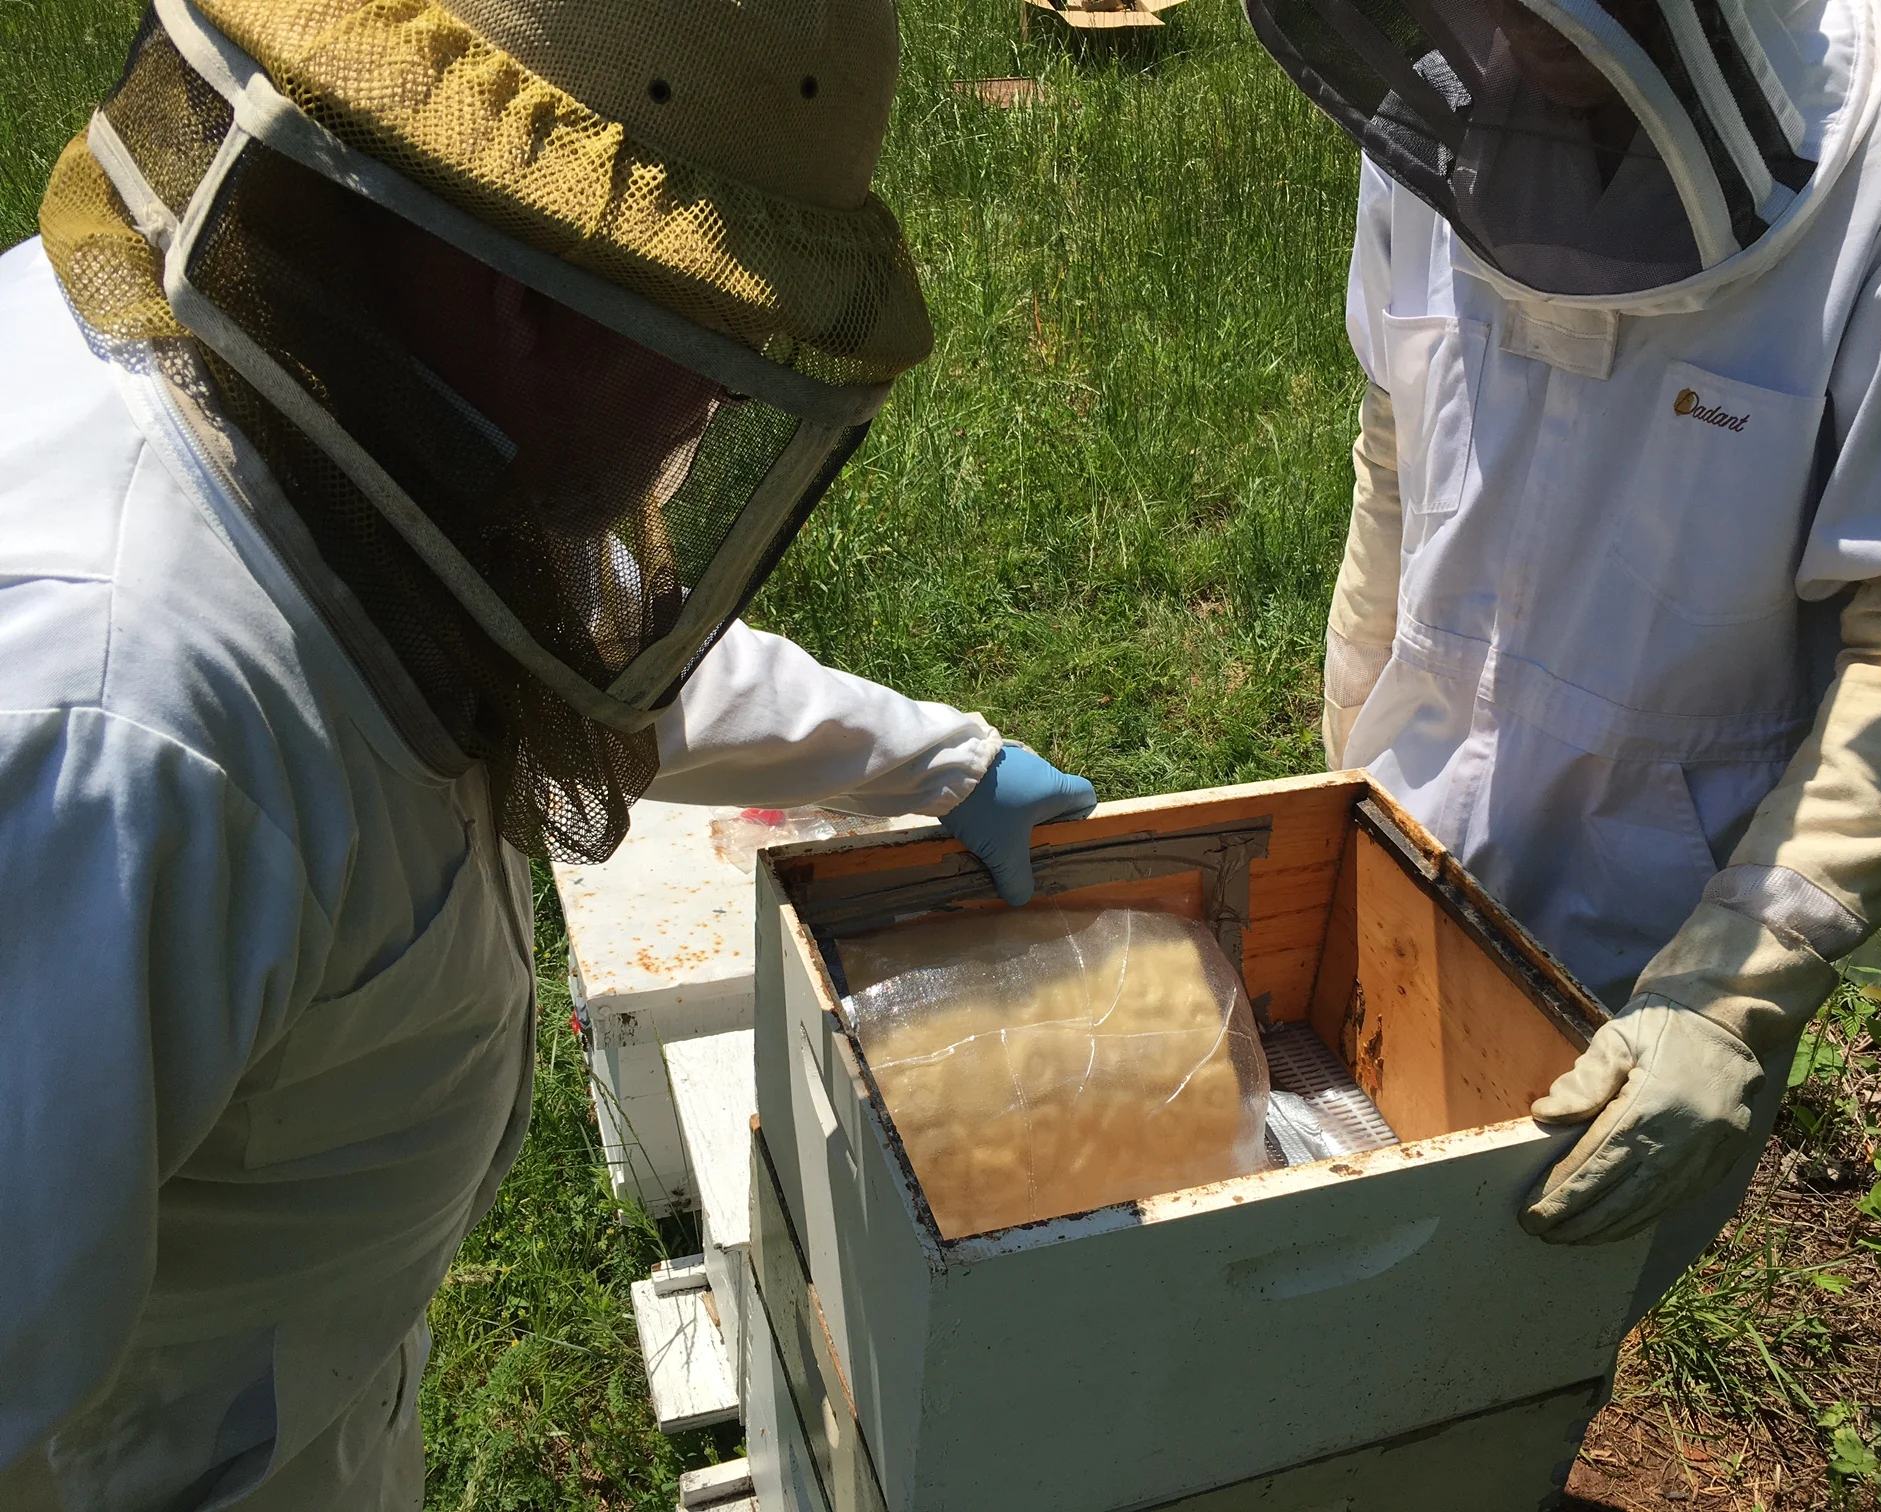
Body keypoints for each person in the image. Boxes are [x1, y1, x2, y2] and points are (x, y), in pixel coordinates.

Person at [0, 0, 1094, 1505]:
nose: (712, 401)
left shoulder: (350, 389)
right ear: (535, 291)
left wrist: (942, 764)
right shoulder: (113, 743)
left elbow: (562, 649)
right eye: (715, 334)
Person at [1247, 0, 1881, 1299]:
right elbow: (1392, 459)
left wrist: (1729, 994)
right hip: (1404, 853)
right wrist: (1348, 781)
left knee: (1509, 1355)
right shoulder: (1430, 124)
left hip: (1652, 945)